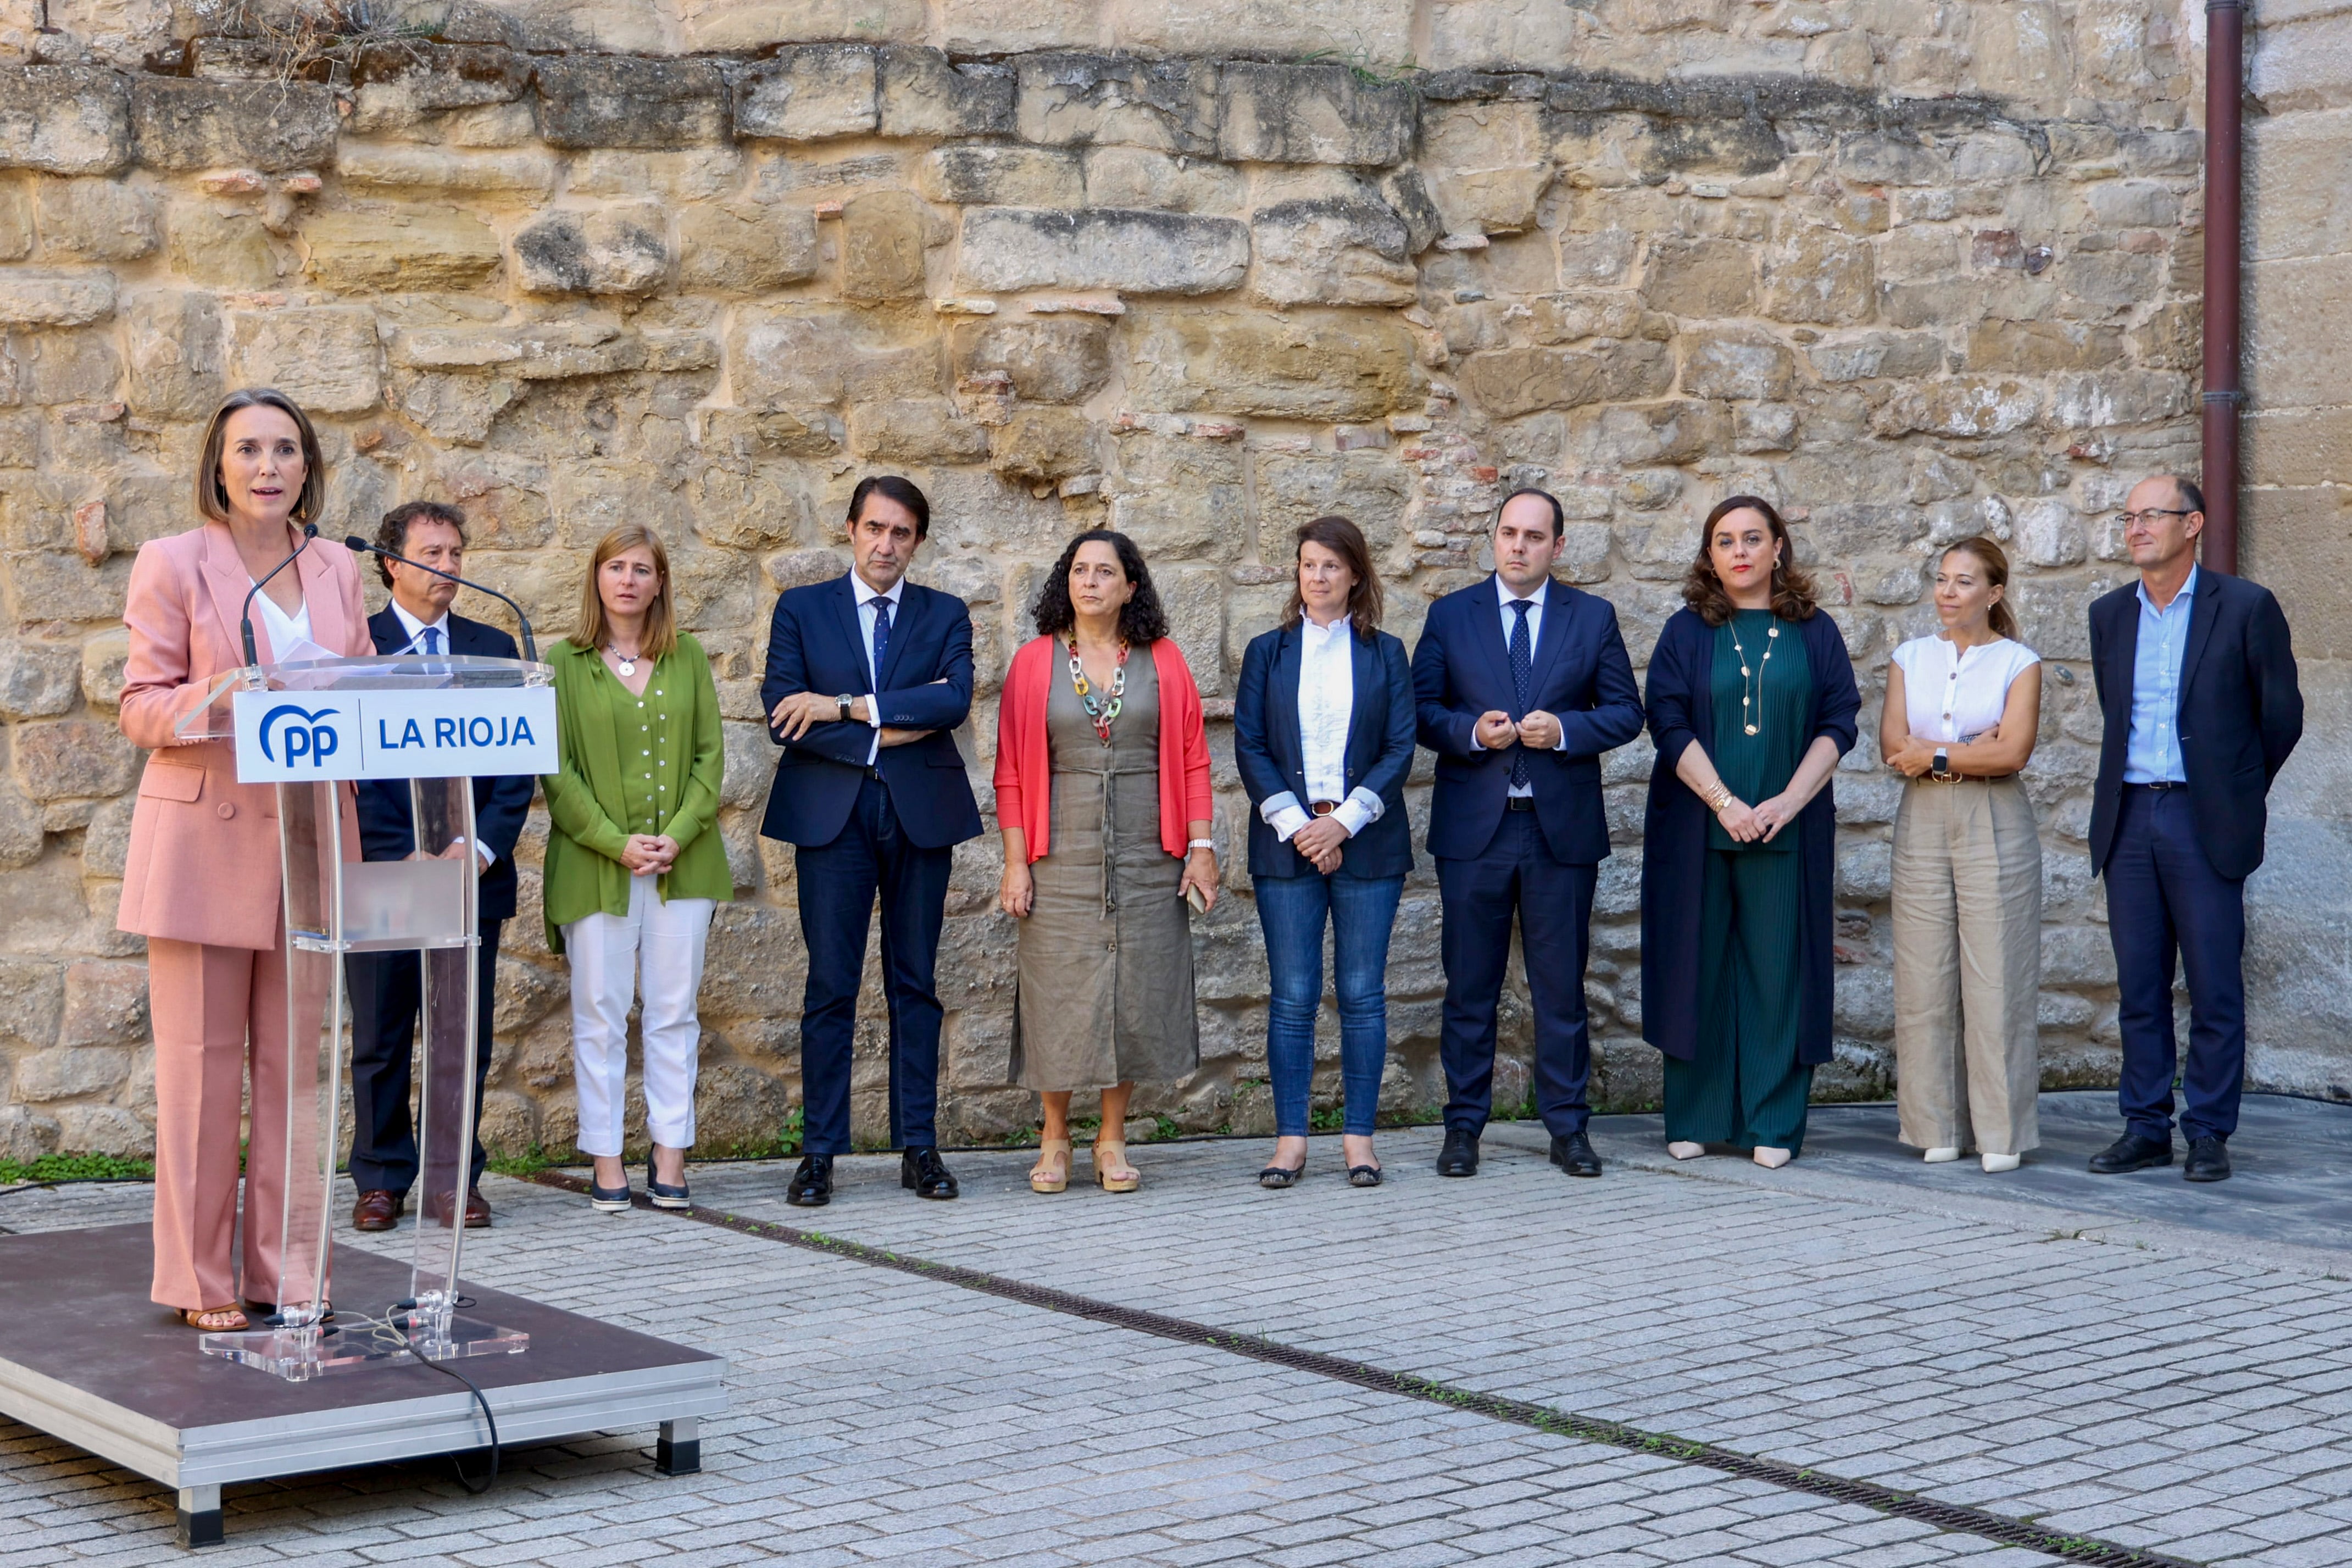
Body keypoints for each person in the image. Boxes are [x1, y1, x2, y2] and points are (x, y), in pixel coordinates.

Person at [118, 387, 371, 1330]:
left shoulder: (341, 566)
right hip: (204, 842)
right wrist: (219, 695)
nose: (268, 465)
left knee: (297, 1071)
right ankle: (199, 1279)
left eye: (286, 448)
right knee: (200, 1067)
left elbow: (360, 688)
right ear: (217, 466)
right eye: (248, 449)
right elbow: (139, 704)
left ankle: (287, 1267)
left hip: (309, 844)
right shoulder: (174, 561)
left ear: (309, 465)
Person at [760, 476, 982, 1208]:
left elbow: (951, 700)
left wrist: (846, 707)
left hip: (920, 812)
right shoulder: (801, 609)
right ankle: (819, 1153)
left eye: (903, 533)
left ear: (918, 540)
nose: (887, 544)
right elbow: (783, 712)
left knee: (914, 982)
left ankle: (918, 1145)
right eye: (875, 528)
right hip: (832, 814)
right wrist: (891, 724)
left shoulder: (945, 611)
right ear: (851, 529)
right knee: (831, 984)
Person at [1410, 490, 1644, 1181]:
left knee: (1561, 989)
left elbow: (1627, 713)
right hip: (1475, 832)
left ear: (1557, 547)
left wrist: (1568, 731)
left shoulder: (1592, 617)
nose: (1519, 546)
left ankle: (1568, 1129)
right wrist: (1467, 732)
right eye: (1509, 533)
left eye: (1534, 536)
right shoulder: (1451, 615)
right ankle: (1462, 1130)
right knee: (1469, 989)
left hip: (1558, 833)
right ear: (1494, 538)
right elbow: (1421, 709)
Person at [2086, 476, 2302, 1183]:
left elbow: (2280, 716)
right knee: (2139, 986)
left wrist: (2233, 791)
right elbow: (2115, 714)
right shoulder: (2109, 615)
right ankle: (2145, 1125)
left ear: (2194, 524)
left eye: (2153, 515)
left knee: (2213, 984)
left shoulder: (2244, 607)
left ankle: (2208, 1129)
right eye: (2129, 517)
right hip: (2129, 816)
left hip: (2200, 817)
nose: (2137, 527)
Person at [996, 530, 1217, 1196]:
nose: (1090, 581)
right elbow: (1010, 770)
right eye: (1079, 570)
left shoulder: (1166, 660)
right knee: (1058, 991)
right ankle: (1056, 1135)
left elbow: (1193, 759)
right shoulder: (1035, 662)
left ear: (1130, 586)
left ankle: (1113, 1136)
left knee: (1134, 988)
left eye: (1105, 572)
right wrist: (1015, 863)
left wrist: (1200, 850)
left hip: (1150, 855)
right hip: (1057, 852)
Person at [1641, 496, 1859, 1169]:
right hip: (1697, 827)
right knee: (1696, 971)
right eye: (1724, 541)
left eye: (1752, 539)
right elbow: (1667, 720)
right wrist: (1724, 801)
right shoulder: (1686, 631)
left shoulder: (1816, 630)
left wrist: (1788, 802)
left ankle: (1774, 1122)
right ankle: (1697, 1115)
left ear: (1778, 548)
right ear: (1710, 555)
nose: (1739, 551)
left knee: (1778, 974)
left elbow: (1839, 721)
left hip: (1786, 830)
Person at [346, 502, 537, 1235]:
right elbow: (348, 768)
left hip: (469, 876)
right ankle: (382, 1178)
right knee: (382, 1033)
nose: (450, 567)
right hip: (386, 870)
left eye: (457, 553)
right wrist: (402, 851)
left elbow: (516, 766)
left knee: (462, 1033)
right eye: (434, 553)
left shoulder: (492, 646)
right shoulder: (356, 646)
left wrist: (477, 846)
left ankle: (455, 1177)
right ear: (392, 562)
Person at [541, 525, 729, 1213]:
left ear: (660, 583)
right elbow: (555, 771)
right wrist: (615, 841)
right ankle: (607, 1156)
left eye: (642, 569)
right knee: (600, 1010)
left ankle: (671, 1150)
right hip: (598, 866)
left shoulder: (686, 658)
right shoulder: (563, 662)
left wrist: (675, 837)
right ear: (597, 578)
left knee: (674, 1012)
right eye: (616, 566)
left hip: (683, 866)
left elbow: (710, 762)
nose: (628, 579)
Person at [1234, 516, 1417, 1188]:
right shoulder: (1268, 652)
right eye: (1309, 565)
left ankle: (1359, 1141)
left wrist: (1342, 824)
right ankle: (1290, 1142)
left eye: (1332, 566)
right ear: (1298, 573)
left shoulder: (1386, 653)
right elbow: (1250, 745)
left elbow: (1401, 746)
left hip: (1367, 844)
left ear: (1356, 576)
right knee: (1293, 997)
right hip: (1287, 847)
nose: (1318, 577)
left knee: (1364, 995)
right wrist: (1301, 827)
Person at [1882, 538, 2044, 1174]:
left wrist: (1940, 752)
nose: (1948, 593)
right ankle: (1935, 1125)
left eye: (1965, 582)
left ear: (1994, 593)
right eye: (1943, 580)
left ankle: (2001, 1131)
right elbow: (1895, 745)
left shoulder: (2018, 662)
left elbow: (2011, 755)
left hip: (1994, 815)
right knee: (1923, 973)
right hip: (1922, 814)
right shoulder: (1909, 657)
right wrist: (1963, 746)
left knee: (1997, 971)